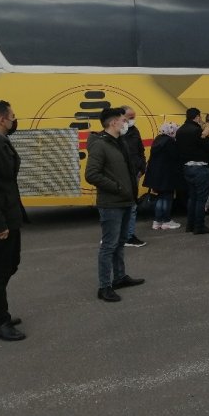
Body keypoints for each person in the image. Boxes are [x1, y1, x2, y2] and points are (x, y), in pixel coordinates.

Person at [85, 108, 145, 303]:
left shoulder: (119, 142)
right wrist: (117, 187)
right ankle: (104, 287)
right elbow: (91, 174)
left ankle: (119, 277)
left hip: (126, 200)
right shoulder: (100, 145)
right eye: (123, 120)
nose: (126, 123)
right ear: (113, 123)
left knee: (119, 243)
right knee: (109, 245)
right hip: (112, 203)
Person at [0, 101, 27, 341]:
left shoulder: (1, 142)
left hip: (9, 214)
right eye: (12, 116)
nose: (14, 120)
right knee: (0, 270)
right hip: (1, 220)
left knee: (9, 265)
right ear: (0, 119)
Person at [175, 108, 209, 235]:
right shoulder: (197, 131)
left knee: (192, 197)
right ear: (197, 117)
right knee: (201, 198)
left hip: (187, 168)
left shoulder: (180, 131)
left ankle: (190, 224)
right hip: (200, 168)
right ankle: (199, 226)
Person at [142, 121, 182, 230]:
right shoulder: (170, 142)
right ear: (171, 131)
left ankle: (157, 221)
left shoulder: (158, 140)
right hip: (167, 175)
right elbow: (175, 157)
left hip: (155, 175)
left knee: (159, 198)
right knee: (167, 198)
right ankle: (166, 220)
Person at [121, 106, 147, 248]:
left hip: (134, 174)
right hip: (123, 175)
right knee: (127, 207)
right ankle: (127, 236)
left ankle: (127, 235)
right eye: (130, 117)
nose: (132, 120)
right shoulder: (117, 133)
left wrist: (142, 167)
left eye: (133, 117)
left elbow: (140, 149)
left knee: (131, 206)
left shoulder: (134, 130)